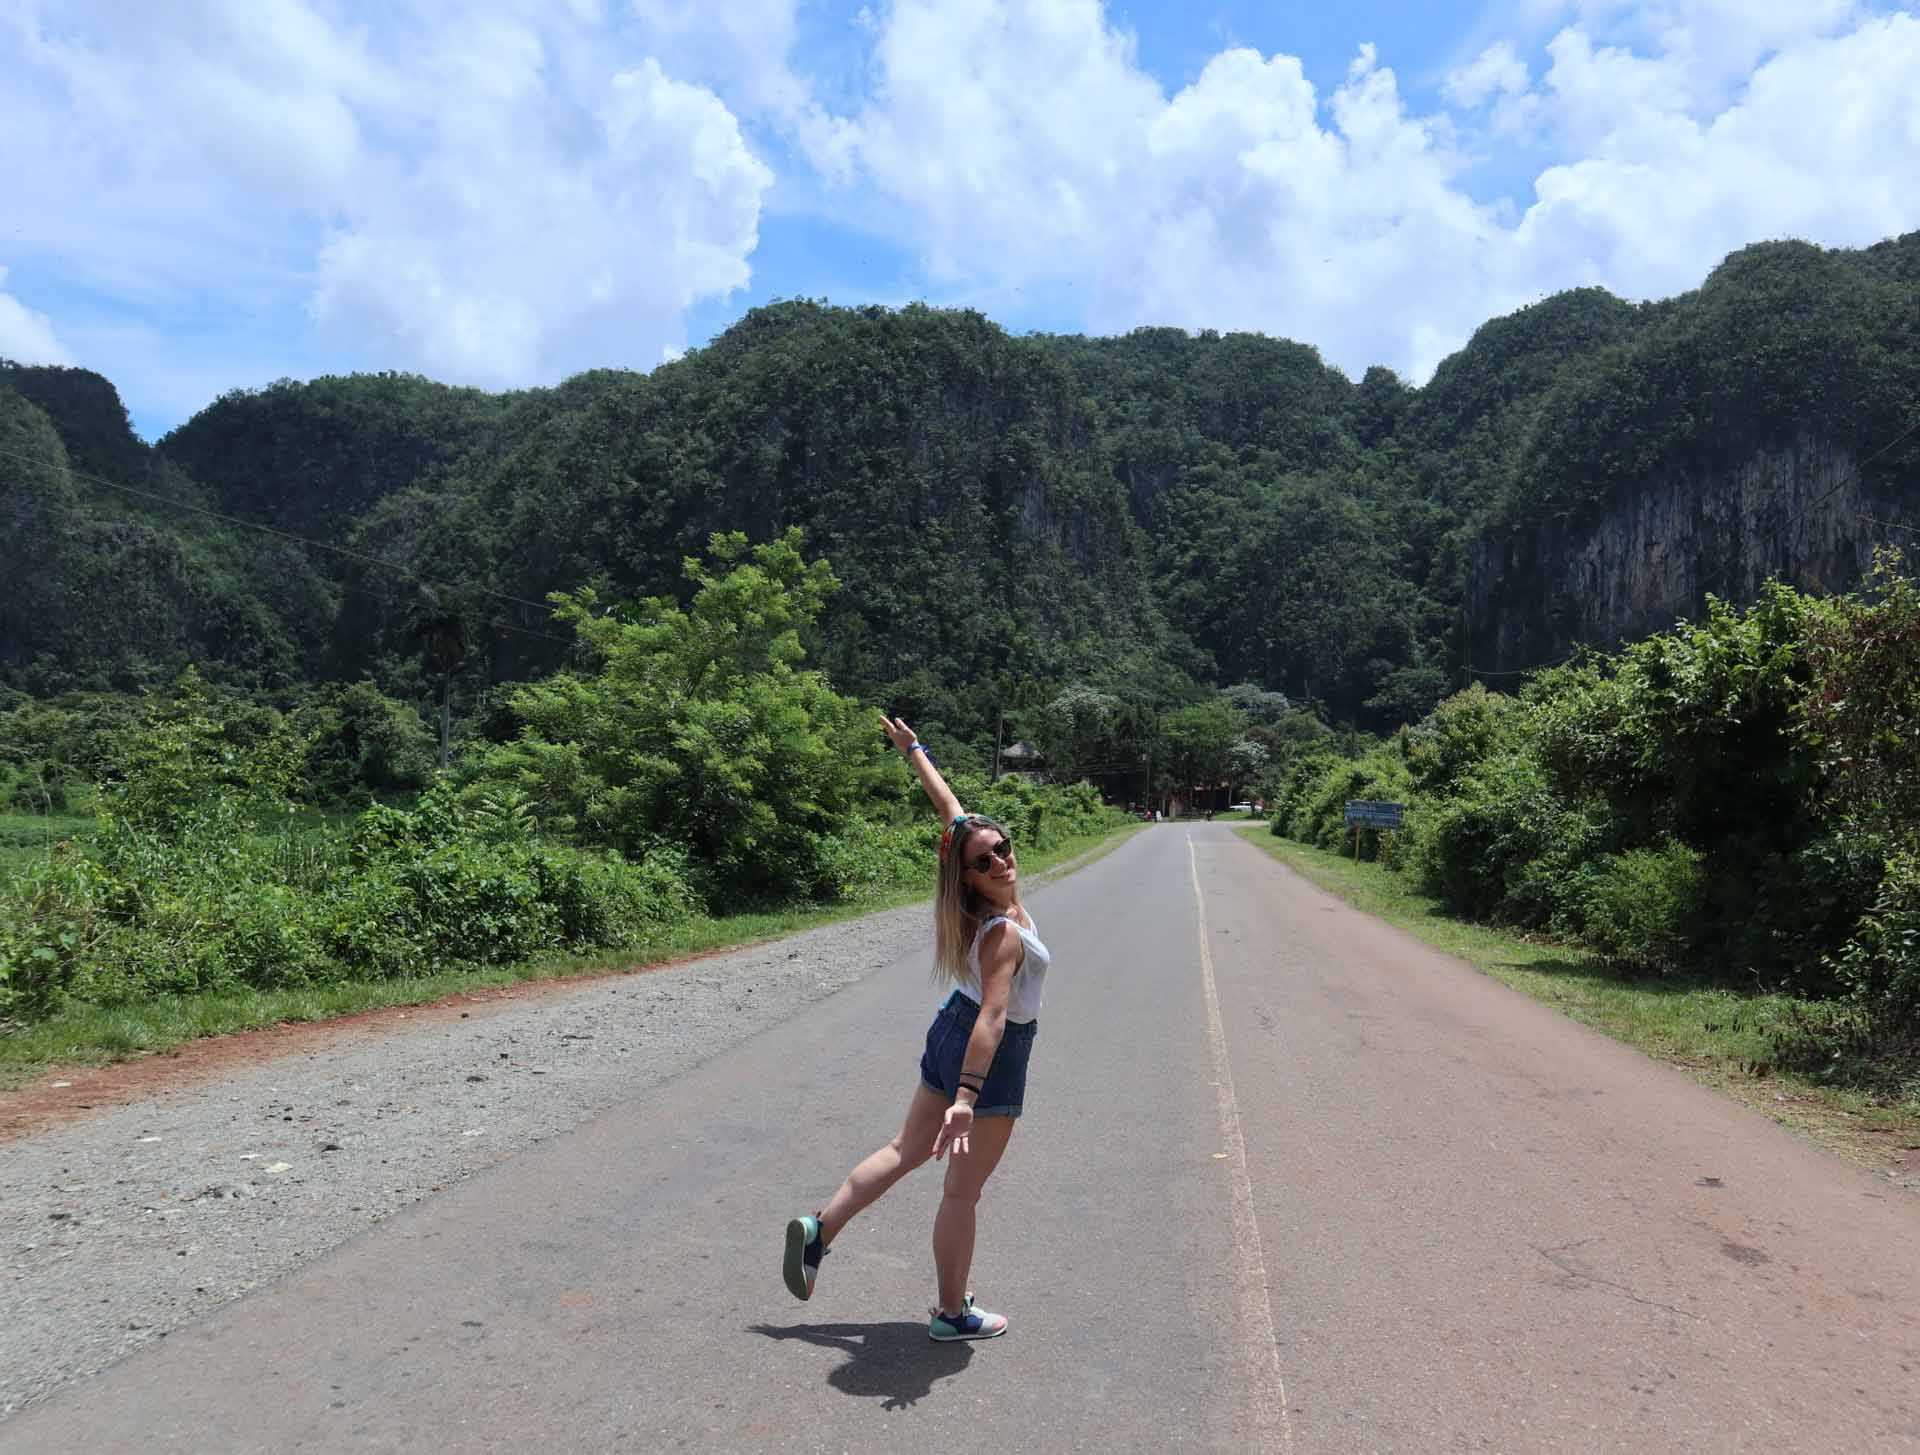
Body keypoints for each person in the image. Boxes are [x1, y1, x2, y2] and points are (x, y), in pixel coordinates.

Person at [781, 712, 1053, 1342]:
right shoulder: (1003, 933)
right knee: (962, 1192)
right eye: (988, 861)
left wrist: (915, 752)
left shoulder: (983, 898)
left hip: (948, 1028)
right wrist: (966, 1097)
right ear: (968, 877)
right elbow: (993, 1015)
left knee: (905, 1151)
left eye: (1004, 847)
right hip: (989, 1048)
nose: (1003, 860)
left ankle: (820, 1229)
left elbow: (952, 811)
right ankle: (952, 1314)